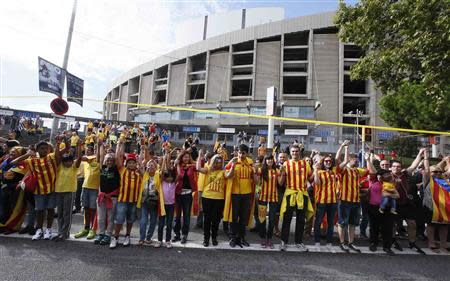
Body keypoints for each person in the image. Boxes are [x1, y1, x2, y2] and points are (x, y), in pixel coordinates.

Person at [18, 141, 58, 240]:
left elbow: (63, 151)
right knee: (39, 210)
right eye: (42, 148)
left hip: (52, 189)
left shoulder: (52, 158)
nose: (45, 150)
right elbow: (14, 162)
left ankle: (48, 229)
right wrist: (27, 154)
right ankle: (39, 230)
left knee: (50, 209)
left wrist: (60, 142)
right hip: (38, 190)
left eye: (46, 148)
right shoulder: (32, 160)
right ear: (37, 150)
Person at [109, 138, 145, 249]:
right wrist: (121, 145)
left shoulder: (139, 174)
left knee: (130, 219)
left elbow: (143, 167)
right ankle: (115, 237)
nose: (131, 164)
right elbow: (118, 157)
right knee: (119, 219)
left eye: (133, 163)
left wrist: (141, 155)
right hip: (123, 200)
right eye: (129, 162)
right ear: (126, 163)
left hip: (133, 201)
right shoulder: (122, 171)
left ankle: (127, 236)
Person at [390, 148, 426, 254]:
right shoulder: (387, 176)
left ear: (401, 168)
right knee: (393, 224)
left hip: (406, 203)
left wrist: (420, 153)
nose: (397, 168)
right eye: (394, 166)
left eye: (398, 166)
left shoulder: (404, 174)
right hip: (394, 203)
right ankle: (392, 241)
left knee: (412, 223)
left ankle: (412, 242)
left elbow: (414, 165)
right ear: (391, 168)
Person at [335, 140, 368, 253]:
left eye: (357, 159)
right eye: (355, 159)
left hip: (356, 200)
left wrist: (369, 159)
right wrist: (344, 147)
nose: (357, 160)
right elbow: (337, 160)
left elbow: (371, 172)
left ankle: (351, 242)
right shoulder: (343, 170)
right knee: (342, 223)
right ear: (349, 159)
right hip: (344, 200)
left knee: (353, 224)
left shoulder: (357, 171)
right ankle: (342, 243)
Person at [279, 144, 313, 252]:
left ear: (300, 152)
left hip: (302, 194)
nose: (295, 153)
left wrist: (316, 169)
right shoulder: (286, 163)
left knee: (301, 219)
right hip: (290, 193)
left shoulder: (305, 163)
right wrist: (282, 173)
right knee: (287, 218)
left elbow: (310, 178)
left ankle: (299, 241)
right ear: (290, 152)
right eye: (293, 151)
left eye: (296, 151)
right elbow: (281, 182)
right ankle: (284, 241)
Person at [224, 144, 256, 248]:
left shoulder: (251, 163)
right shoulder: (233, 162)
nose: (241, 155)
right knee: (234, 216)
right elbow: (227, 175)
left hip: (247, 193)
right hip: (235, 193)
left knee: (243, 217)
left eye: (243, 153)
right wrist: (232, 166)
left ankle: (241, 237)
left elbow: (256, 180)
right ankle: (233, 237)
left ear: (247, 153)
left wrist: (255, 171)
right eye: (239, 152)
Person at [196, 151, 230, 247]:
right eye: (216, 161)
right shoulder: (207, 169)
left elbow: (229, 175)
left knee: (216, 220)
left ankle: (214, 237)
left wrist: (233, 164)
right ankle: (206, 239)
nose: (217, 164)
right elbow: (198, 168)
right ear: (213, 162)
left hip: (219, 199)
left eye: (219, 162)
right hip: (207, 197)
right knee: (207, 219)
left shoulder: (223, 171)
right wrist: (199, 156)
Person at [53, 136, 83, 241]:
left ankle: (65, 233)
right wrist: (57, 144)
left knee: (67, 213)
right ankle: (60, 232)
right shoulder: (60, 166)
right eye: (65, 161)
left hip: (69, 192)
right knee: (60, 213)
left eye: (70, 160)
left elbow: (79, 158)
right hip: (59, 192)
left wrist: (79, 146)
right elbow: (57, 156)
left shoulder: (74, 167)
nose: (68, 162)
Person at [366, 155, 396, 255]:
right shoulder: (372, 181)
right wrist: (368, 160)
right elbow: (372, 171)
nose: (380, 176)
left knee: (387, 228)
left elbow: (396, 195)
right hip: (373, 207)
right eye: (379, 175)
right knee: (374, 227)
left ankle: (387, 247)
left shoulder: (390, 183)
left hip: (387, 208)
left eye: (382, 175)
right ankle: (373, 244)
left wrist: (387, 193)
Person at [95, 142, 121, 246]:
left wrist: (119, 145)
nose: (109, 161)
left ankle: (108, 235)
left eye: (111, 160)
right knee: (101, 217)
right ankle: (100, 234)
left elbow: (118, 158)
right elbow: (101, 156)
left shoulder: (116, 169)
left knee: (110, 218)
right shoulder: (102, 168)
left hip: (112, 197)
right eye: (108, 160)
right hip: (102, 197)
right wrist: (100, 145)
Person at [422, 153, 449, 253]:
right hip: (431, 206)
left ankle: (443, 243)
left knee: (444, 225)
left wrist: (447, 161)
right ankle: (431, 242)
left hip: (443, 207)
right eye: (435, 171)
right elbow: (427, 169)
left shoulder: (444, 180)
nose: (437, 173)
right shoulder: (428, 180)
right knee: (431, 225)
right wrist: (425, 156)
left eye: (439, 171)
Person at [74, 145, 101, 240]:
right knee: (86, 208)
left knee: (93, 209)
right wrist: (78, 147)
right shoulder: (86, 160)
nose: (86, 152)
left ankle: (93, 229)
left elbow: (98, 155)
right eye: (85, 150)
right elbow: (79, 158)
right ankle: (86, 228)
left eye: (88, 150)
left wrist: (99, 144)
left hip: (94, 188)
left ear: (93, 151)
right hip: (85, 187)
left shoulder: (97, 160)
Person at [256, 155, 283, 248]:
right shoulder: (261, 170)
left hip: (273, 198)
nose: (269, 161)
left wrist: (283, 173)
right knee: (262, 218)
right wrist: (254, 171)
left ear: (273, 160)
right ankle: (263, 238)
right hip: (262, 197)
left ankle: (269, 238)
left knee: (272, 219)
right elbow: (257, 182)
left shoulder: (277, 171)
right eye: (267, 159)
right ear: (265, 161)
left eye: (271, 159)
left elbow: (280, 183)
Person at [312, 155, 338, 248]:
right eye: (326, 161)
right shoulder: (319, 172)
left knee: (331, 223)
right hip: (321, 201)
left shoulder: (334, 171)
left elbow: (340, 160)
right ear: (323, 163)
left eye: (329, 161)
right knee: (318, 222)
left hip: (333, 201)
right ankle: (317, 242)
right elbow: (317, 183)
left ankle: (329, 243)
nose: (328, 162)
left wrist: (343, 147)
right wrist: (315, 170)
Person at [0, 146, 27, 234]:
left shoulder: (24, 164)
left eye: (14, 152)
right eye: (11, 151)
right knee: (3, 208)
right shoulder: (5, 161)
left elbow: (22, 179)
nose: (11, 153)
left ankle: (12, 227)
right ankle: (2, 225)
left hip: (15, 190)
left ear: (20, 155)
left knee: (14, 208)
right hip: (4, 188)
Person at [173, 150, 198, 244]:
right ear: (181, 158)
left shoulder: (192, 166)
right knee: (177, 216)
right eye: (184, 157)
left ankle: (184, 235)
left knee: (186, 216)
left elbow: (200, 166)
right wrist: (175, 161)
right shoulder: (177, 166)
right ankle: (176, 234)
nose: (186, 158)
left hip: (188, 194)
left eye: (187, 157)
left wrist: (200, 155)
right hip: (178, 193)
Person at [154, 161, 176, 249]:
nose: (170, 178)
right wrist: (165, 158)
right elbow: (162, 172)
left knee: (169, 224)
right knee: (161, 224)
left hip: (171, 206)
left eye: (171, 177)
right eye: (168, 177)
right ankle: (159, 240)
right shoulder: (162, 182)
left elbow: (177, 173)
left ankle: (168, 240)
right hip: (162, 206)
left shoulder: (174, 183)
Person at [139, 159, 159, 245]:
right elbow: (140, 165)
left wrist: (166, 156)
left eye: (152, 165)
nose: (151, 166)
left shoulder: (158, 175)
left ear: (156, 167)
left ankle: (148, 237)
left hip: (154, 202)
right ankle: (141, 238)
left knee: (153, 221)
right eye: (149, 165)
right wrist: (143, 151)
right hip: (144, 201)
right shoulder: (144, 175)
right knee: (144, 220)